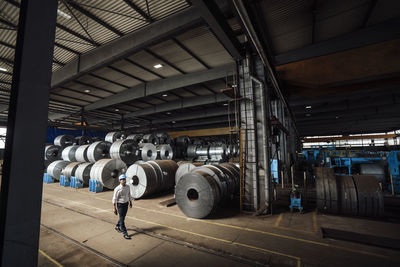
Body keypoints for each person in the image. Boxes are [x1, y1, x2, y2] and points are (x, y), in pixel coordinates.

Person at [112, 174, 132, 239]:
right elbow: (114, 198)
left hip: (126, 204)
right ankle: (125, 233)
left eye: (124, 179)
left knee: (122, 217)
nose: (124, 180)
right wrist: (114, 208)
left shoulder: (128, 187)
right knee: (122, 219)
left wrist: (130, 202)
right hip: (120, 205)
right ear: (120, 181)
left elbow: (129, 195)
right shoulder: (117, 189)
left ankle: (117, 226)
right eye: (122, 179)